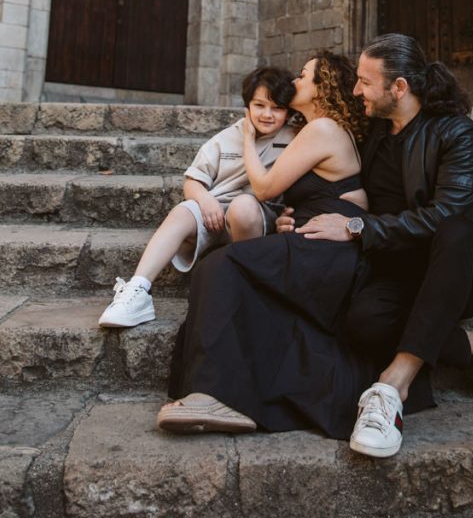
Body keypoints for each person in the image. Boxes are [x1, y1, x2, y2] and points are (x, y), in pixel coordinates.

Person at [294, 33, 473, 458]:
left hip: (461, 268)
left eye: (365, 82)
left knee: (458, 229)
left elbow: (446, 215)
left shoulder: (457, 133)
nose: (356, 91)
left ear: (400, 88)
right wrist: (295, 214)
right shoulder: (371, 131)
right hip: (400, 269)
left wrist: (356, 227)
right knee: (364, 323)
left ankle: (392, 387)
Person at [156, 52, 372, 437]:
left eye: (304, 76)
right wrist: (292, 217)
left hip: (332, 251)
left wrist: (248, 138)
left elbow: (264, 187)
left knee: (221, 265)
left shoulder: (322, 128)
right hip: (317, 239)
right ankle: (221, 392)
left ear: (322, 88)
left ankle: (216, 393)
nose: (296, 82)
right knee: (225, 266)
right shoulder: (319, 128)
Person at [98, 66, 296, 328]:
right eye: (259, 105)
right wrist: (205, 200)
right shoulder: (225, 139)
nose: (267, 114)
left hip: (255, 219)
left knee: (242, 206)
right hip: (215, 216)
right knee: (183, 210)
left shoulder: (293, 139)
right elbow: (193, 181)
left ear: (289, 111)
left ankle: (246, 285)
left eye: (277, 108)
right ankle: (138, 290)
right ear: (247, 106)